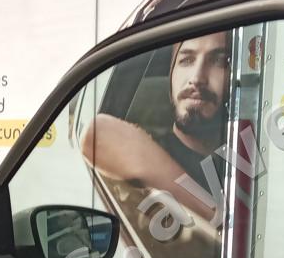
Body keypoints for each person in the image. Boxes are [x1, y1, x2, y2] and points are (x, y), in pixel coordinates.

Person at [80, 32, 230, 234]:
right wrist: (218, 219)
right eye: (186, 60)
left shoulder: (247, 154)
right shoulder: (149, 152)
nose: (197, 78)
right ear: (171, 76)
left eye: (218, 61)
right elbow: (97, 133)